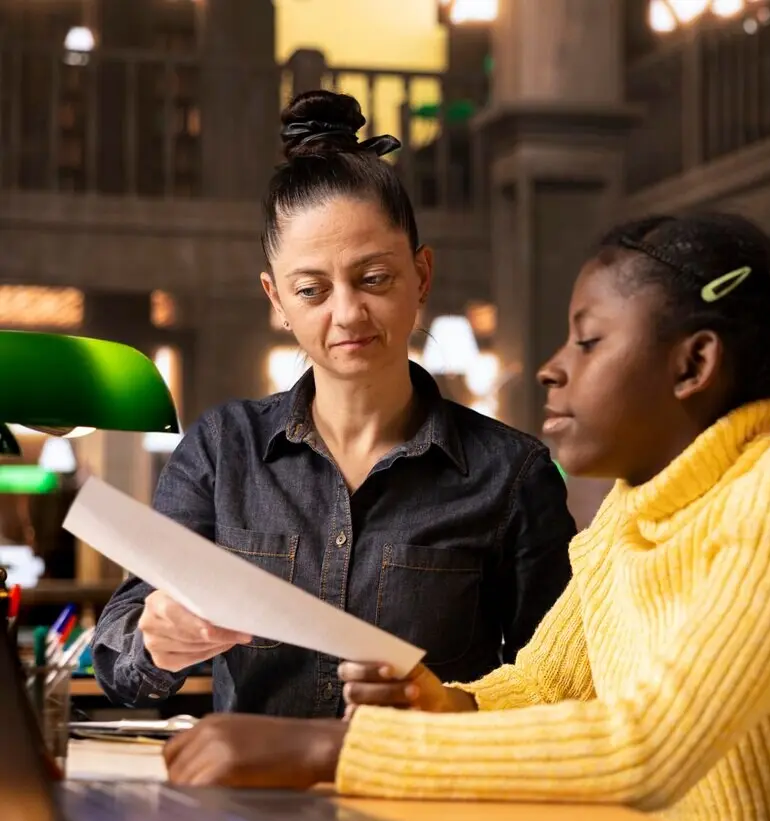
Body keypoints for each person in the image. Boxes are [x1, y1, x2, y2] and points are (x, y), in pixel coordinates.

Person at [160, 212, 770, 821]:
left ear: (693, 364)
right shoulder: (623, 522)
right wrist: (448, 701)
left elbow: (650, 744)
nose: (552, 368)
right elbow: (541, 685)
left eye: (588, 342)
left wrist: (323, 752)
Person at [93, 91, 576, 717]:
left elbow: (563, 689)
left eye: (374, 279)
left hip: (429, 802)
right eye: (311, 289)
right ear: (275, 298)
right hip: (252, 803)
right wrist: (155, 642)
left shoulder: (510, 475)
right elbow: (118, 666)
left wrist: (455, 707)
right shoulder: (222, 449)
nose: (347, 313)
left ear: (422, 276)